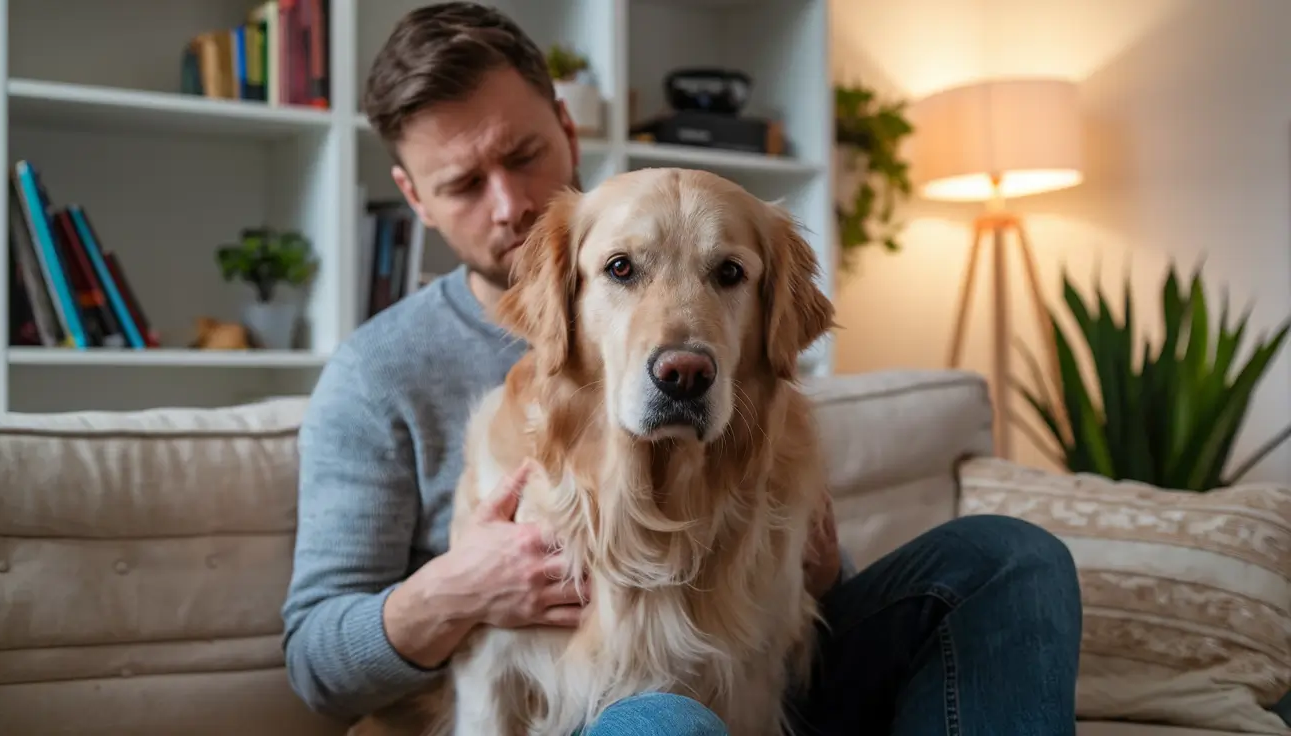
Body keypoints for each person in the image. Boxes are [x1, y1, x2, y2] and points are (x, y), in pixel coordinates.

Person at [280, 3, 1085, 734]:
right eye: (461, 184)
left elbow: (792, 619)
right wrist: (457, 589)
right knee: (663, 725)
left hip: (763, 678)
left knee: (1010, 559)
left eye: (525, 154)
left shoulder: (740, 359)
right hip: (590, 709)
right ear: (412, 198)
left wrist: (825, 568)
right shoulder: (374, 374)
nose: (509, 205)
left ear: (567, 125)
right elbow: (316, 665)